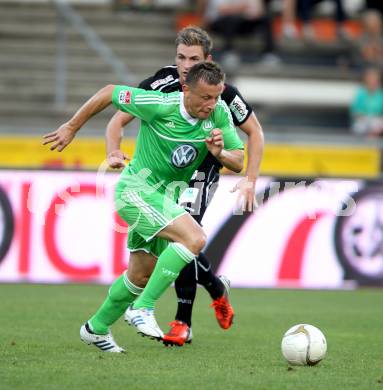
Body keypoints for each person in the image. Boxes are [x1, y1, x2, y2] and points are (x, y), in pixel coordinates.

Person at [45, 26, 264, 347]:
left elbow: (238, 158)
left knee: (141, 273)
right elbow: (109, 93)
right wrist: (73, 127)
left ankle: (95, 328)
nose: (212, 103)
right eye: (181, 58)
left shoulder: (219, 109)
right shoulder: (160, 100)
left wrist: (220, 154)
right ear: (185, 89)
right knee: (194, 238)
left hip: (169, 194)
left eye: (215, 97)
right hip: (136, 190)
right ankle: (147, 309)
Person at [350, 67, 383, 138]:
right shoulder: (361, 92)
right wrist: (362, 116)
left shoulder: (381, 93)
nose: (372, 81)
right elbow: (355, 110)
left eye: (374, 79)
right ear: (366, 79)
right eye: (370, 78)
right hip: (363, 119)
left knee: (378, 125)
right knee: (359, 127)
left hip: (377, 120)